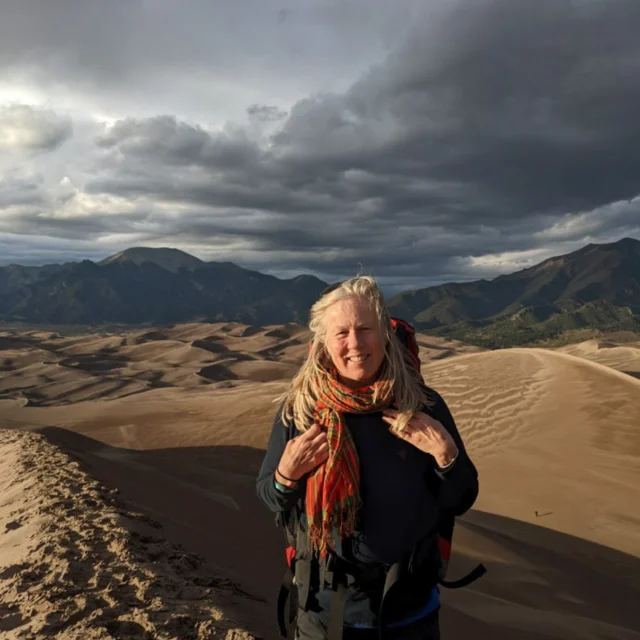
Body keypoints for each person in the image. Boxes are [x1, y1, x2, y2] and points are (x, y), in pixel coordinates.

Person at [256, 276, 479, 640]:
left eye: (365, 329)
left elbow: (462, 498)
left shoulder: (422, 405)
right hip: (323, 615)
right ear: (323, 344)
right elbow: (268, 495)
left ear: (385, 334)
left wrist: (446, 455)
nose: (355, 343)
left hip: (409, 614)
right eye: (341, 333)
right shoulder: (301, 411)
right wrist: (285, 475)